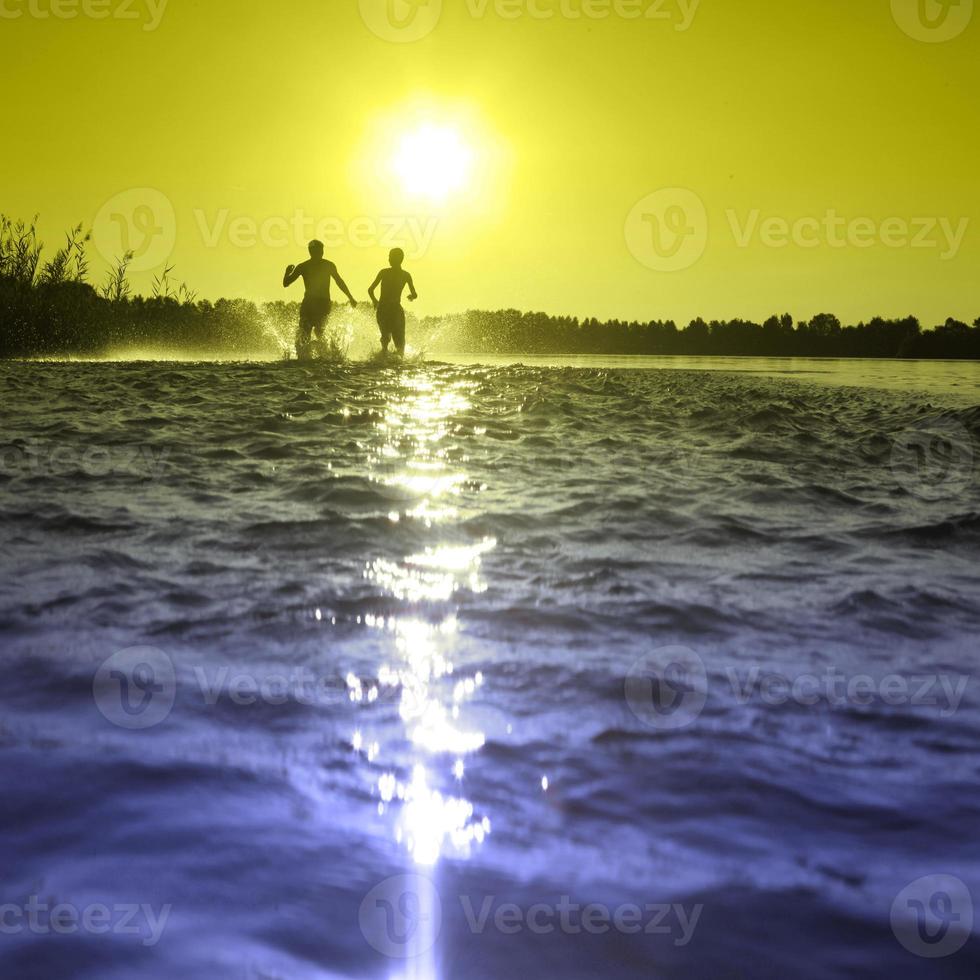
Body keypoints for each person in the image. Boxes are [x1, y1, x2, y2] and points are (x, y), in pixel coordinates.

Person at [283, 240, 357, 359]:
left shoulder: (328, 265)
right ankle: (304, 357)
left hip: (322, 303)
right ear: (311, 252)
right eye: (317, 251)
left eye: (321, 251)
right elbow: (286, 283)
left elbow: (339, 281)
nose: (320, 253)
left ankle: (325, 355)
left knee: (319, 331)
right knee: (304, 331)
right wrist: (287, 273)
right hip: (310, 303)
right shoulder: (304, 266)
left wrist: (350, 297)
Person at [368, 248, 417, 356]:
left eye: (391, 257)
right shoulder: (385, 272)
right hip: (384, 309)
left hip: (392, 310)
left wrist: (412, 296)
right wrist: (375, 301)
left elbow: (415, 294)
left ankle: (394, 361)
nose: (389, 259)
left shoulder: (405, 275)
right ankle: (385, 359)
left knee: (399, 341)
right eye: (389, 256)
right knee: (386, 338)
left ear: (399, 259)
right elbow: (370, 289)